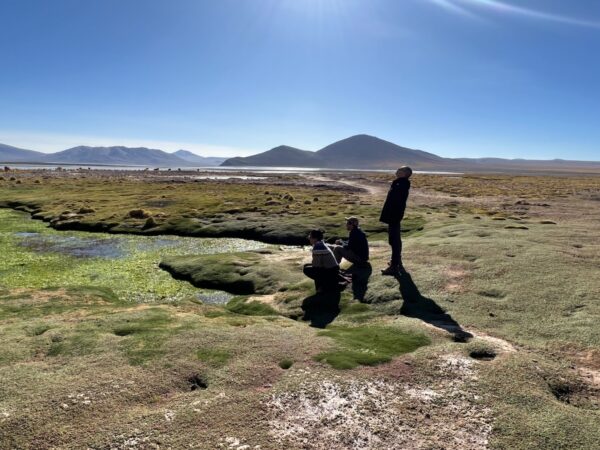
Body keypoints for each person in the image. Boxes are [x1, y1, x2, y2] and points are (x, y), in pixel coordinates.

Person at [379, 166, 412, 275]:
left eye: (400, 170)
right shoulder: (399, 182)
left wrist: (393, 214)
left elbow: (397, 201)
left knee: (394, 239)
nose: (397, 171)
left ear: (404, 173)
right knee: (393, 239)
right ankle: (397, 260)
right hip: (393, 215)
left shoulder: (402, 184)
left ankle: (394, 266)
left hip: (394, 215)